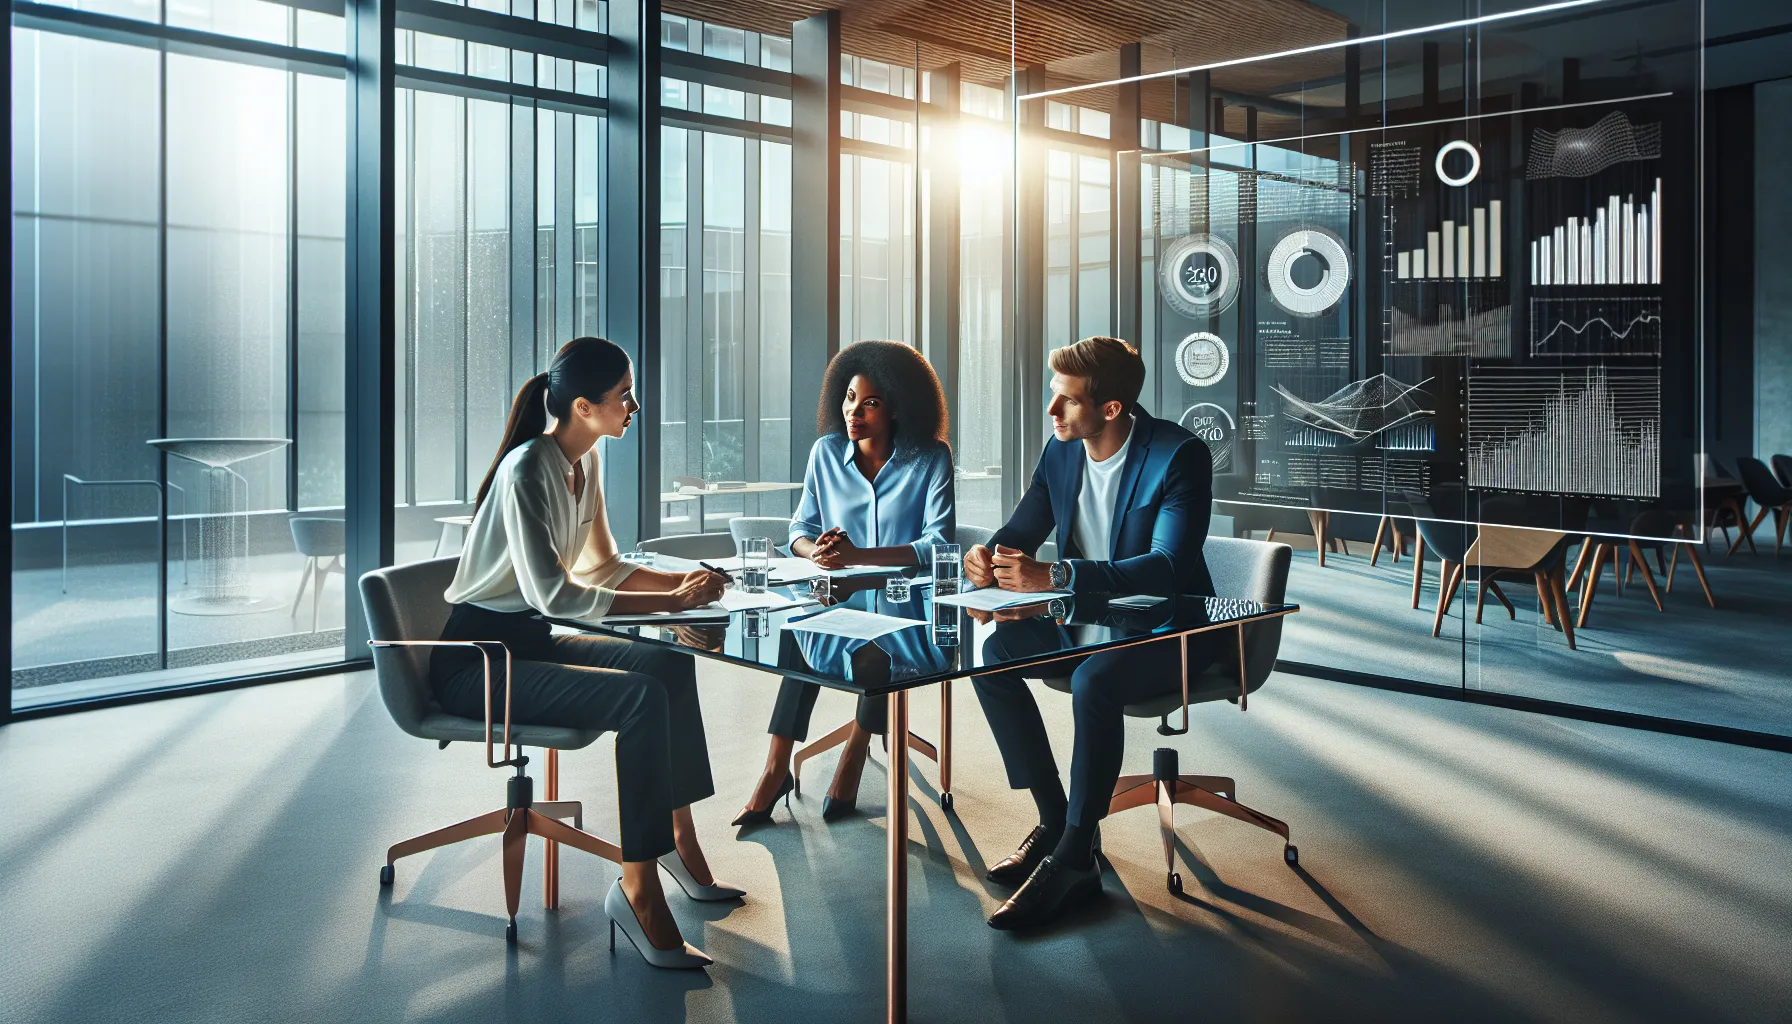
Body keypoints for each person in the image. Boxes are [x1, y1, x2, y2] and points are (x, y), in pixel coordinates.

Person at [431, 337, 739, 970]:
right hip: (478, 661)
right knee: (640, 697)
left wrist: (684, 583)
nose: (634, 406)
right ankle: (638, 888)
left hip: (531, 643)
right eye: (624, 395)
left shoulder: (585, 462)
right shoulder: (527, 469)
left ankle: (677, 840)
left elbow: (604, 566)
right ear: (583, 406)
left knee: (667, 664)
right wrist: (673, 602)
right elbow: (554, 594)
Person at [962, 335, 1219, 931]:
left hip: (1167, 629)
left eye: (1067, 400)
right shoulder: (1061, 451)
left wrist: (1058, 575)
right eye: (1054, 395)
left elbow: (1166, 568)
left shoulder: (1178, 456)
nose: (1052, 410)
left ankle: (1076, 858)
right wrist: (986, 559)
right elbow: (1020, 532)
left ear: (1111, 408)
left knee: (1095, 680)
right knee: (994, 655)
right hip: (1083, 622)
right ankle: (1057, 822)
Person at [734, 341, 955, 826]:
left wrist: (860, 558)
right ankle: (775, 767)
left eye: (870, 402)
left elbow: (939, 544)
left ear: (897, 406)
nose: (854, 411)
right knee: (798, 626)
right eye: (850, 398)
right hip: (837, 597)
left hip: (908, 606)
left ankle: (855, 749)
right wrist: (816, 553)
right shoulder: (826, 453)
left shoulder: (930, 459)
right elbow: (799, 529)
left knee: (877, 657)